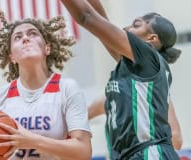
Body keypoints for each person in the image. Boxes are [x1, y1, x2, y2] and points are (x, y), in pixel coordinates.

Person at [0, 11, 92, 160]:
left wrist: (32, 141)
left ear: (47, 49)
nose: (25, 38)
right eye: (17, 37)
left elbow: (83, 151)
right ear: (12, 57)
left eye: (33, 34)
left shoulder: (67, 88)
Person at [61, 0, 182, 159]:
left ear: (151, 39)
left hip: (149, 153)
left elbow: (86, 17)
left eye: (135, 25)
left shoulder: (147, 57)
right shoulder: (135, 66)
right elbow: (102, 21)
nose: (126, 28)